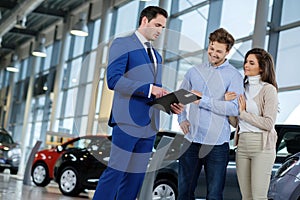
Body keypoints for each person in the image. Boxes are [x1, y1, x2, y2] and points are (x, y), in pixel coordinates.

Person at [92, 6, 183, 200]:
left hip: (149, 125)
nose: (160, 30)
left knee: (135, 178)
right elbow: (113, 80)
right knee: (115, 172)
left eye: (163, 27)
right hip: (127, 122)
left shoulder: (156, 56)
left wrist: (168, 103)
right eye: (157, 25)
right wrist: (150, 89)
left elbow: (154, 92)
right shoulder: (123, 44)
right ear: (144, 21)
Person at [177, 28, 244, 200]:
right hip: (191, 140)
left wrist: (202, 100)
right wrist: (181, 118)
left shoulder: (234, 76)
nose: (213, 54)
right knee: (184, 193)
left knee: (214, 195)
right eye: (211, 48)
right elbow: (180, 97)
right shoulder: (194, 71)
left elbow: (234, 109)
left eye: (219, 51)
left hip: (217, 144)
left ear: (227, 52)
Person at [226, 48, 278, 200]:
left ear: (261, 67)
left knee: (259, 197)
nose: (246, 65)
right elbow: (236, 123)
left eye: (251, 62)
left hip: (262, 146)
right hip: (242, 145)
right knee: (246, 197)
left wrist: (243, 113)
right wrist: (229, 106)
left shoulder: (269, 90)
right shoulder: (241, 89)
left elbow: (268, 123)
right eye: (246, 62)